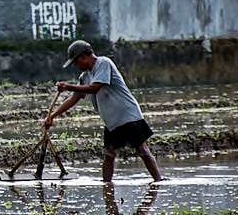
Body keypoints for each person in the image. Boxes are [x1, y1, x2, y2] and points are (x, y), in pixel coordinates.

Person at [42, 40, 163, 182]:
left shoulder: (103, 63)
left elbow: (95, 88)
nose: (76, 66)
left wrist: (68, 86)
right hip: (111, 120)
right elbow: (74, 98)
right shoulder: (85, 76)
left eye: (75, 62)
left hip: (127, 115)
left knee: (142, 150)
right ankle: (106, 185)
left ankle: (158, 181)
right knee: (109, 154)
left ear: (83, 57)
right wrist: (52, 116)